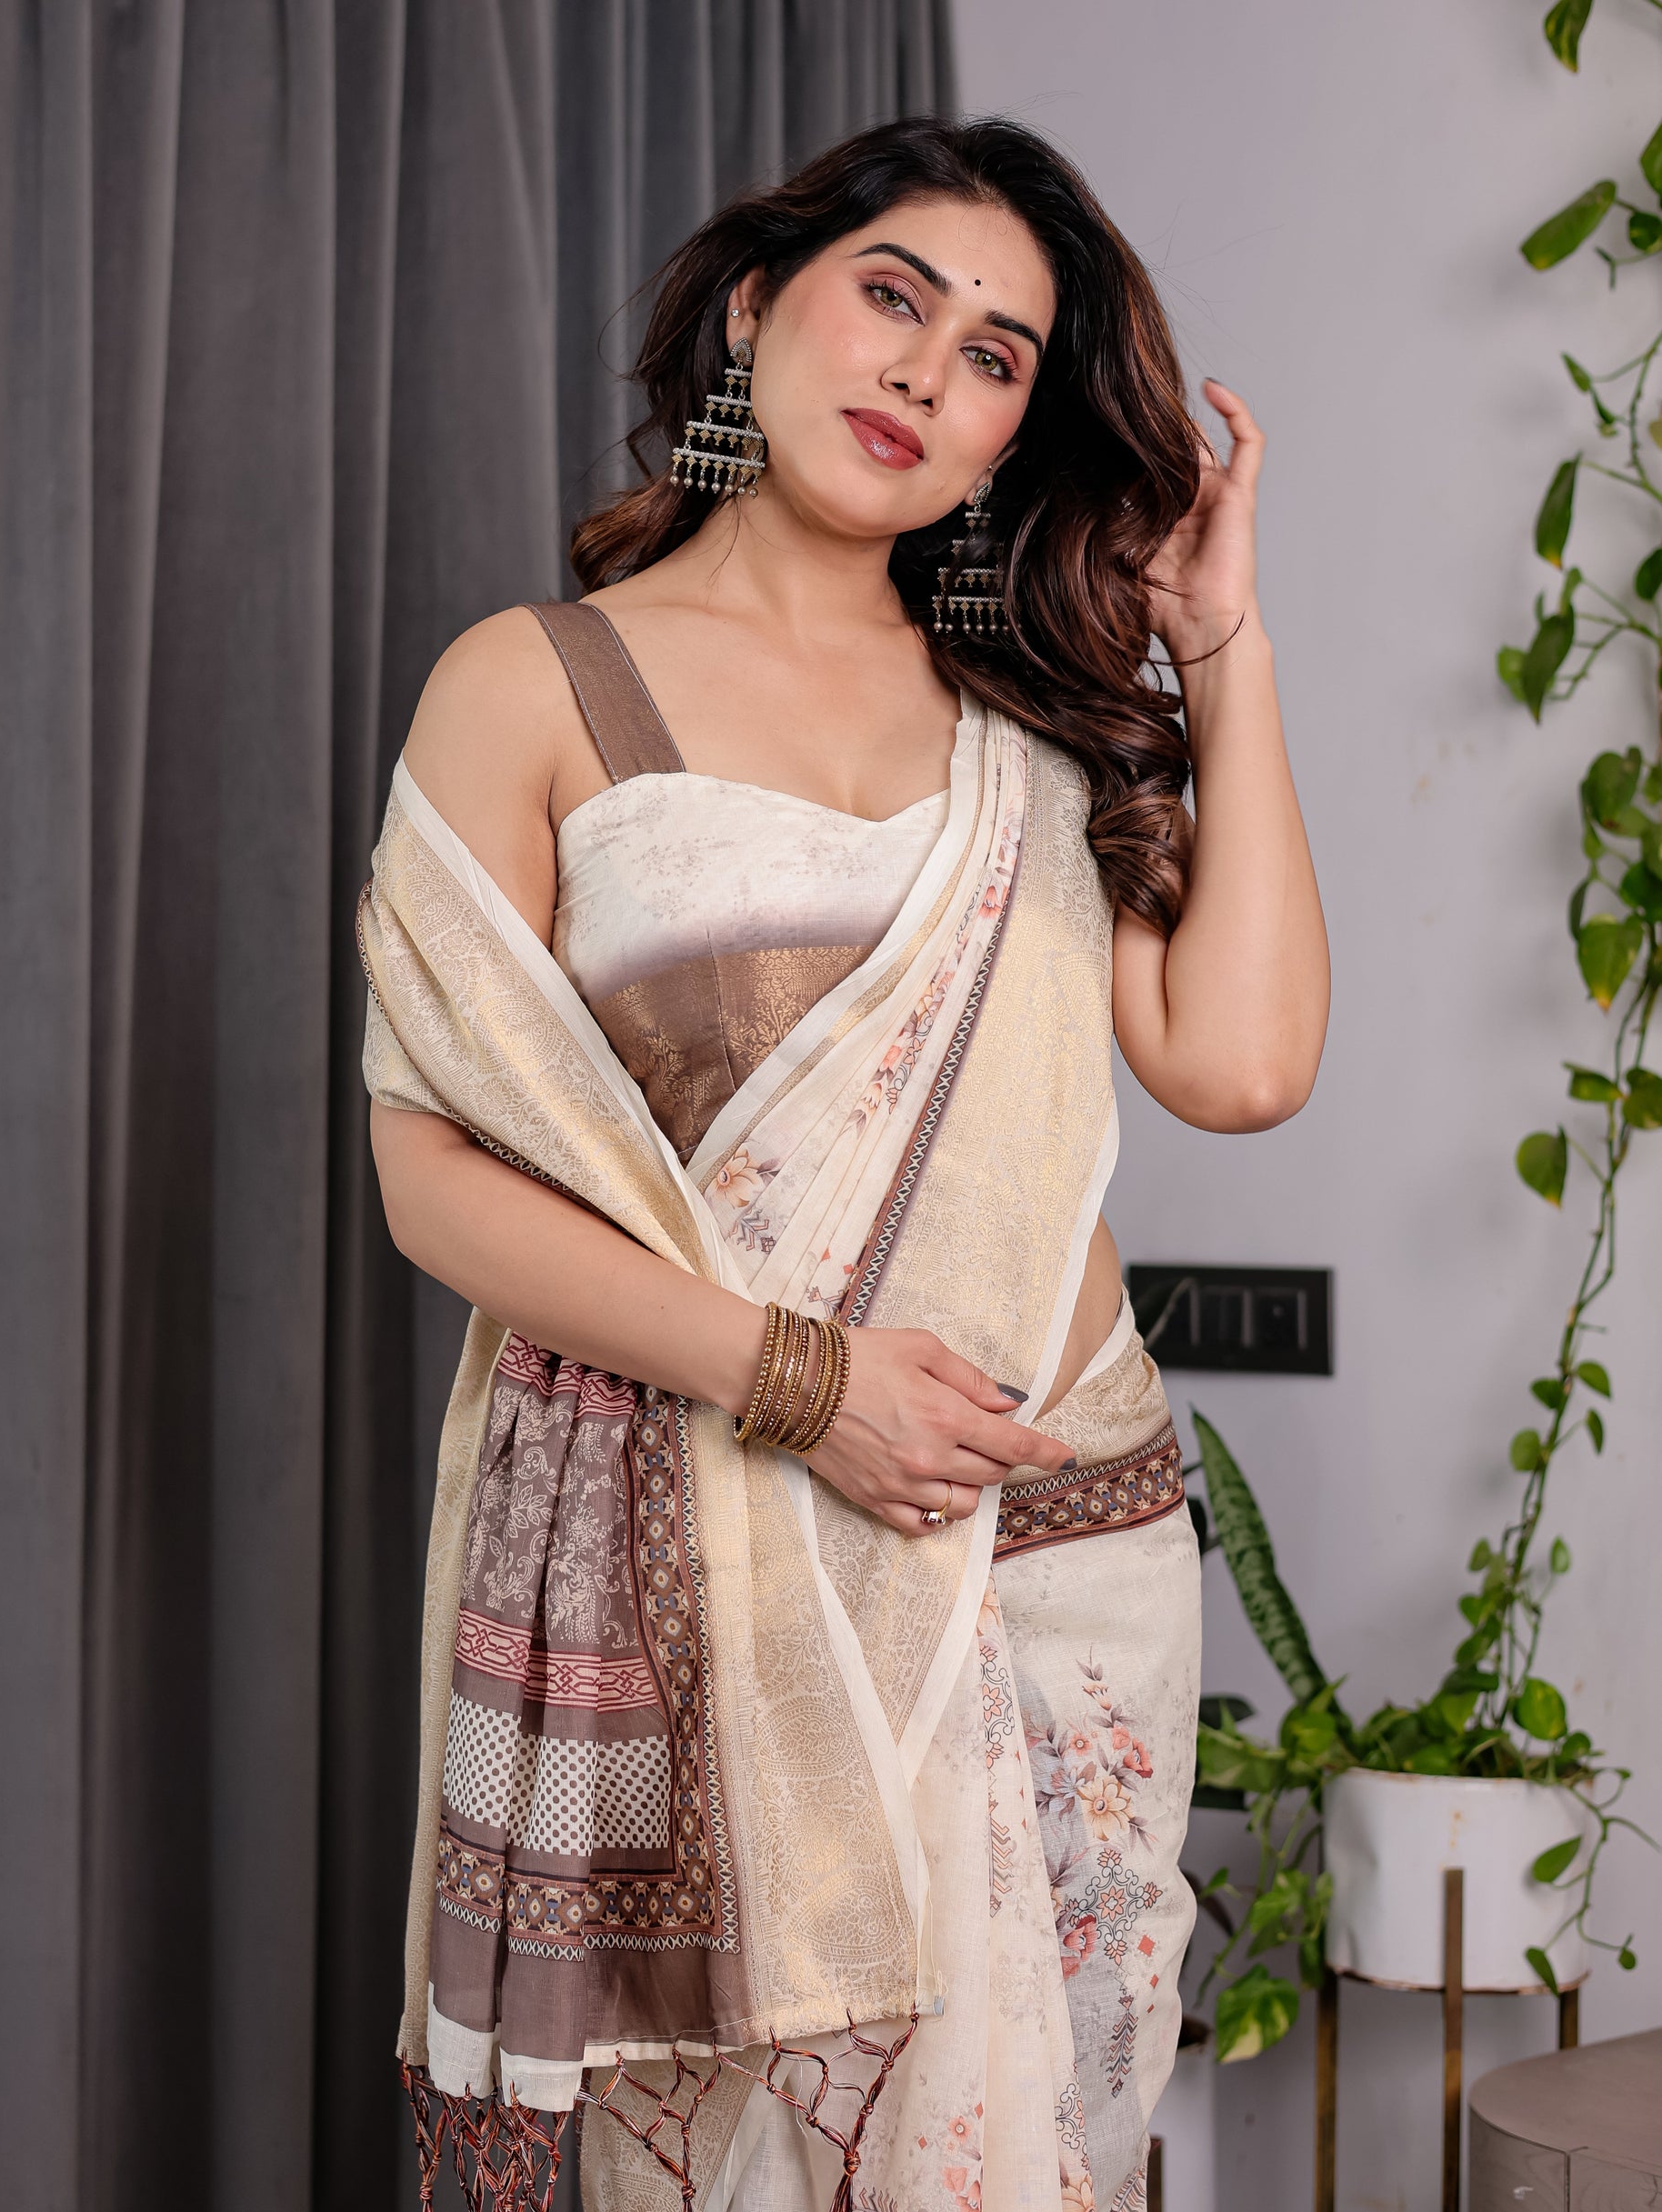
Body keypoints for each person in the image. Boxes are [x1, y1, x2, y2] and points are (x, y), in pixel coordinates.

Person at [360, 114, 1327, 2212]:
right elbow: (430, 1171)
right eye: (892, 295)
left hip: (1053, 1554)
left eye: (993, 354)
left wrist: (1216, 644)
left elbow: (1242, 1061)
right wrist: (804, 1380)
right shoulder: (536, 685)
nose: (922, 367)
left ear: (1008, 437)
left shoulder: (1033, 716)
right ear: (752, 307)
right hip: (716, 1547)